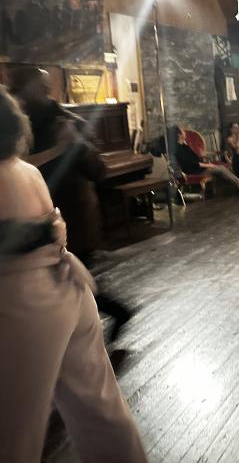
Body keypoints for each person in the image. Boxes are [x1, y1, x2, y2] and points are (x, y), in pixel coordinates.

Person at [0, 87, 147, 463]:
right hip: (67, 285)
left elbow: (95, 169)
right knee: (101, 410)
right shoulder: (24, 168)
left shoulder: (52, 143)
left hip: (24, 302)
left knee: (14, 438)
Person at [10, 67, 132, 342]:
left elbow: (99, 170)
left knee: (76, 283)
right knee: (70, 285)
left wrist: (77, 144)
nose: (25, 95)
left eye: (36, 87)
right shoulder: (19, 127)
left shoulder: (69, 123)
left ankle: (108, 320)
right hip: (39, 221)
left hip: (74, 222)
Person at [171, 126, 239, 191]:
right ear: (179, 135)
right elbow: (193, 163)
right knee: (221, 168)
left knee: (229, 167)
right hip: (195, 171)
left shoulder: (184, 146)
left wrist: (207, 162)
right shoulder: (179, 150)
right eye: (183, 131)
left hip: (199, 167)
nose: (185, 132)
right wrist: (208, 165)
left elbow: (197, 157)